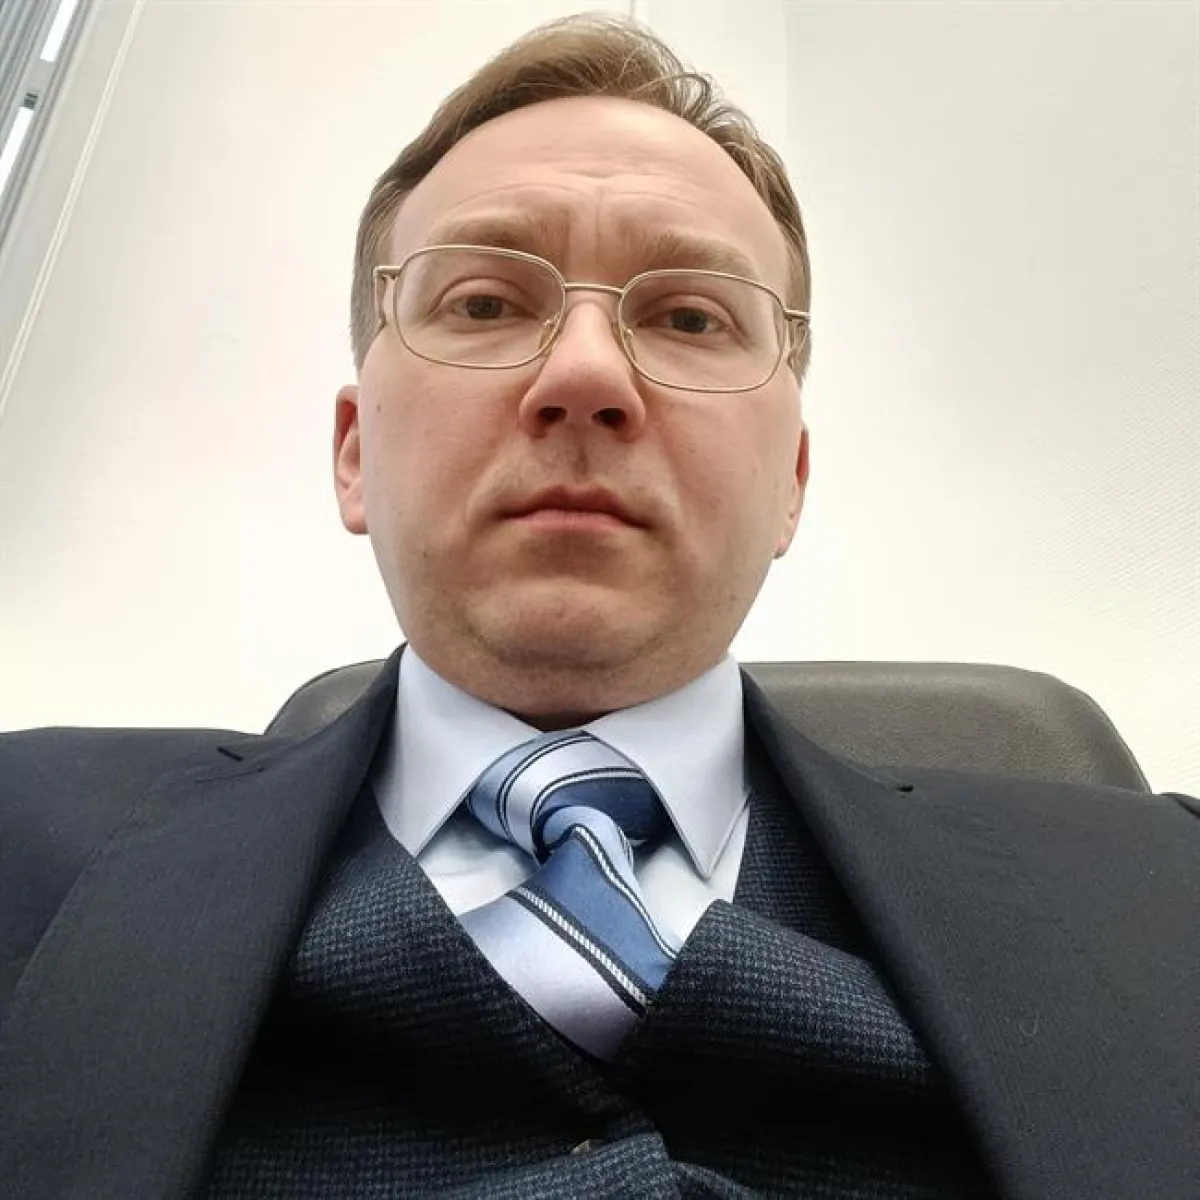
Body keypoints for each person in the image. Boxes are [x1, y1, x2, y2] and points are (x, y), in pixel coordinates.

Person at [1, 14, 1196, 1199]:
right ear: (355, 453)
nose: (583, 373)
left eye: (689, 317)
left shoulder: (1163, 888)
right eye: (484, 304)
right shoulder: (24, 836)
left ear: (791, 482)